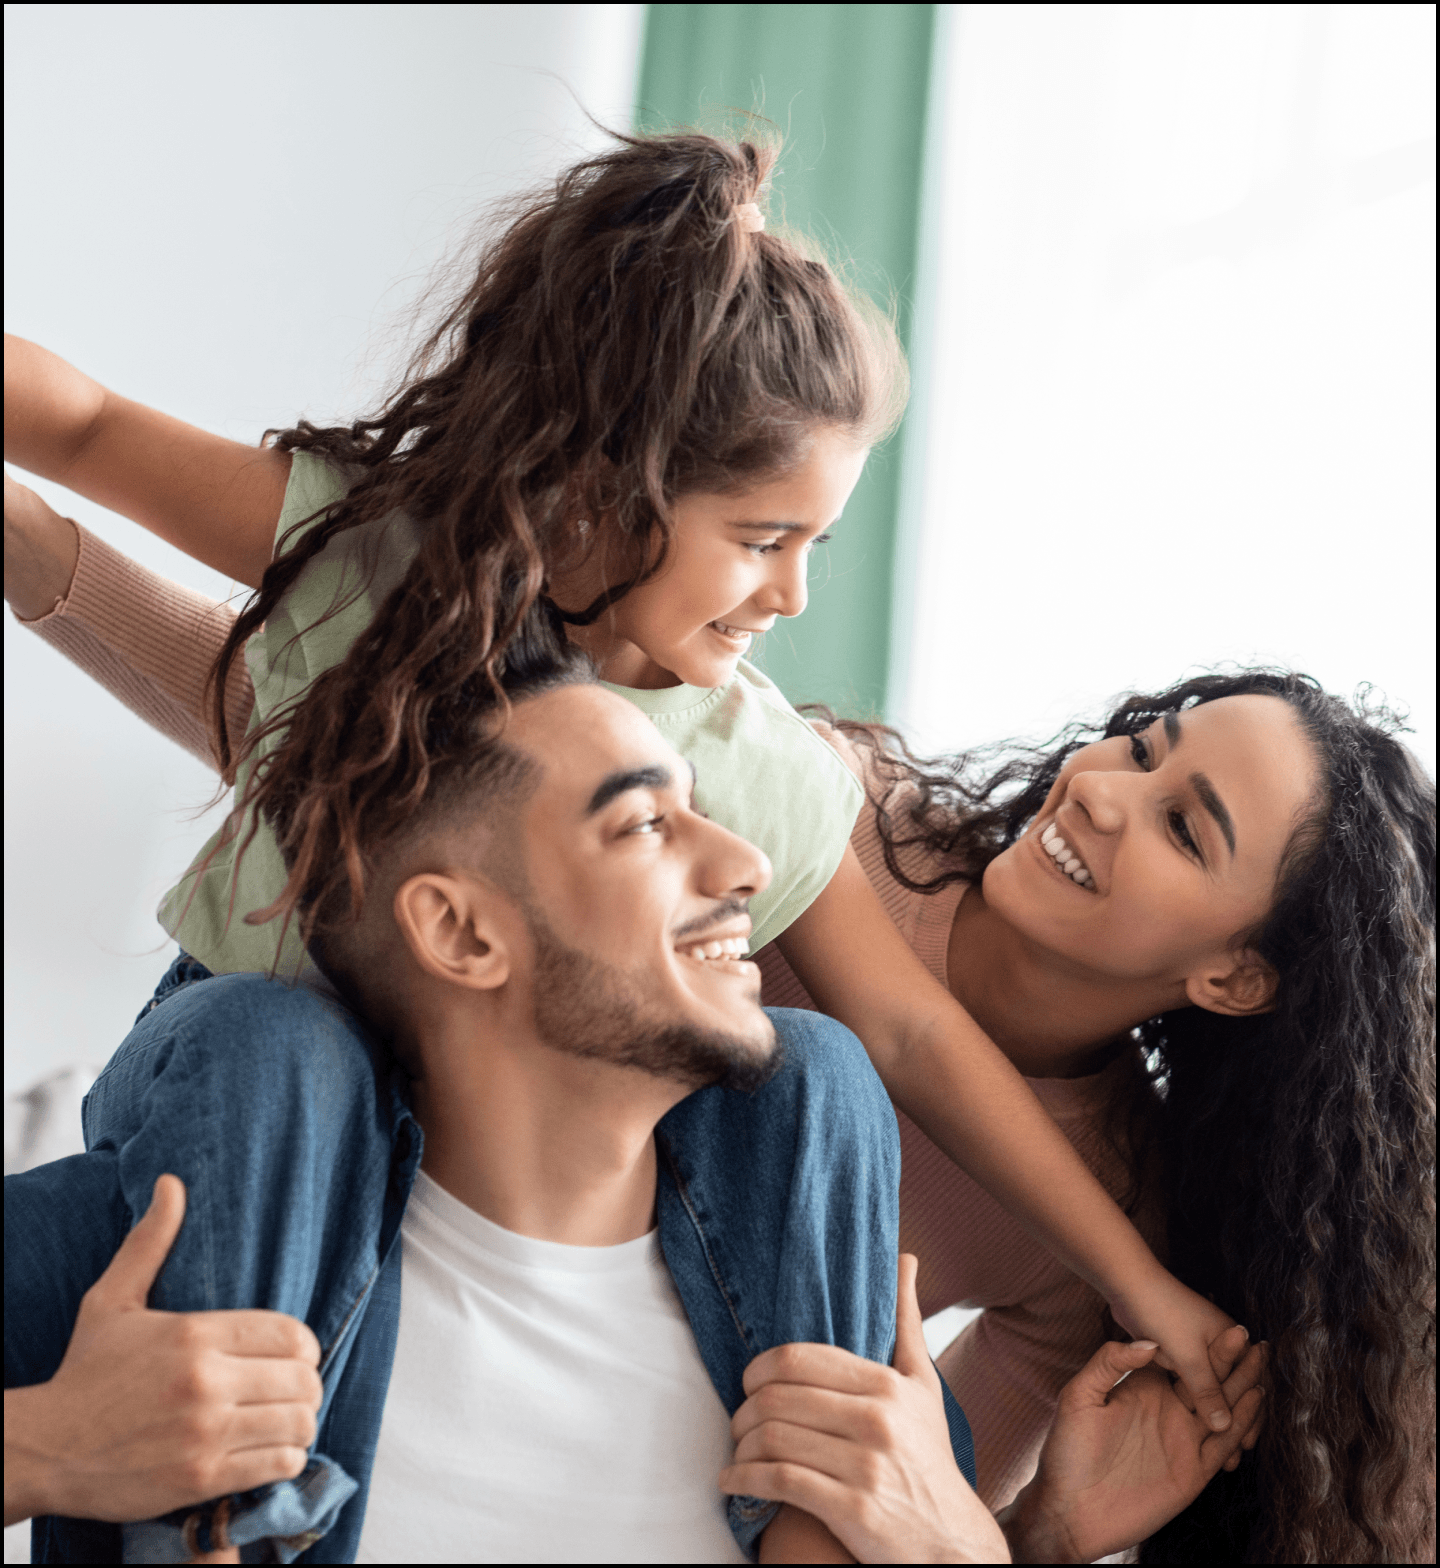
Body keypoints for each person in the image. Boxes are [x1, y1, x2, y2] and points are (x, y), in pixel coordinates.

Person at [3, 125, 1243, 1419]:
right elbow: (84, 426)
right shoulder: (393, 559)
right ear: (605, 495)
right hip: (240, 1068)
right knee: (287, 1055)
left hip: (479, 1173)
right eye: (765, 538)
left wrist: (1139, 1280)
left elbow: (916, 1034)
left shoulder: (759, 770)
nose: (797, 590)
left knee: (799, 1068)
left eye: (819, 539)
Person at [4, 627, 1267, 1564]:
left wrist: (1027, 1539)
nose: (753, 864)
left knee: (819, 1077)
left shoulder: (839, 1354)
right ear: (458, 929)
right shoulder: (198, 1243)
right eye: (644, 824)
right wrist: (49, 1445)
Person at [759, 677, 1436, 1562]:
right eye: (1144, 747)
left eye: (1183, 829)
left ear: (1235, 979)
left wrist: (1048, 1530)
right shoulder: (830, 799)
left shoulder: (1113, 1220)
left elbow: (896, 1521)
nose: (1101, 790)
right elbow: (906, 1033)